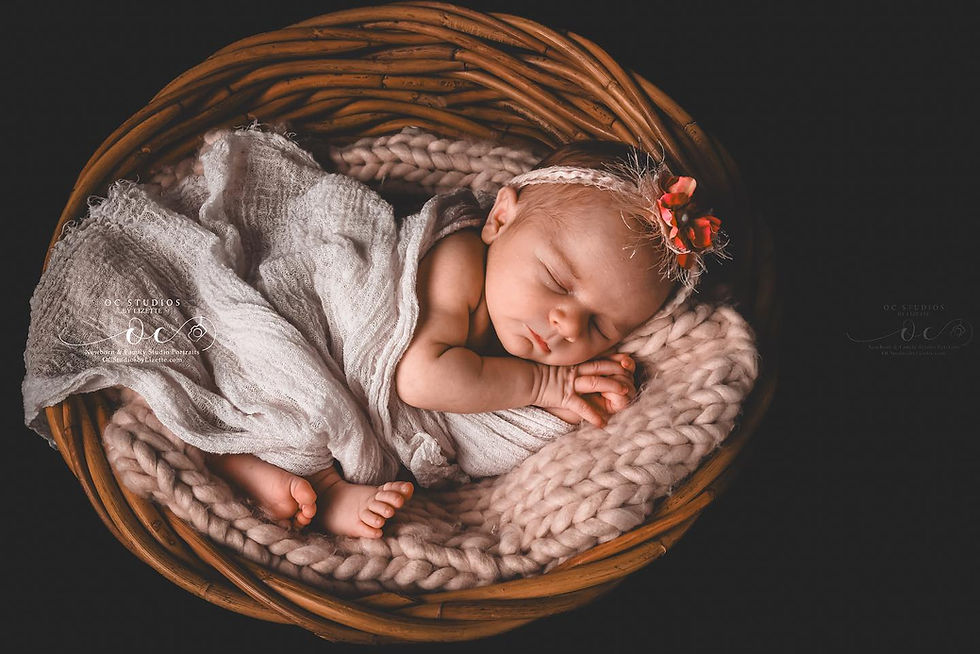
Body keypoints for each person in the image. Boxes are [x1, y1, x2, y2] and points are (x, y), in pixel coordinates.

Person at [123, 140, 727, 539]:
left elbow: (470, 418)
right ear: (499, 219)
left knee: (310, 413)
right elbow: (422, 379)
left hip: (363, 388)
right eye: (557, 281)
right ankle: (279, 471)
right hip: (316, 319)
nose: (567, 325)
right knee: (290, 377)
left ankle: (289, 475)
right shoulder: (460, 262)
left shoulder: (512, 323)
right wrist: (547, 385)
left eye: (600, 328)